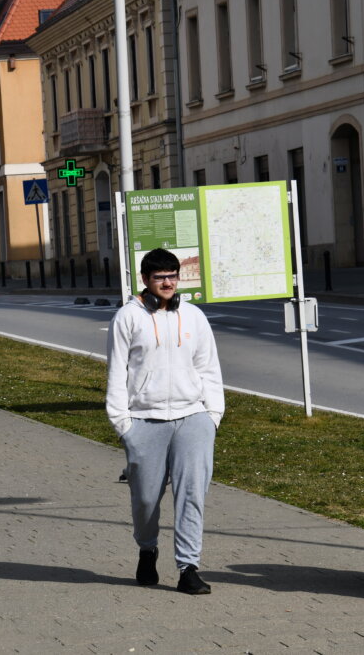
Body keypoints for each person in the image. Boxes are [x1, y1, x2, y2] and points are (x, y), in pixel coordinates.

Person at [106, 248, 224, 595]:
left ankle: (188, 568)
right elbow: (116, 372)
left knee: (192, 494)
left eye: (173, 275)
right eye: (160, 277)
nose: (168, 282)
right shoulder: (127, 318)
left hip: (193, 417)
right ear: (145, 280)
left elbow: (208, 368)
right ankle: (147, 548)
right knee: (145, 499)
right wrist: (123, 424)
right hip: (144, 420)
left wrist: (212, 416)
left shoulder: (194, 316)